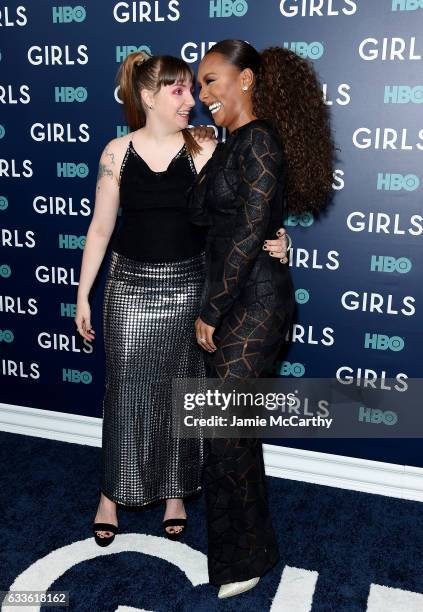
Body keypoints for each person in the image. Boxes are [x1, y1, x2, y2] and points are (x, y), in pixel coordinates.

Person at [74, 51, 288, 545]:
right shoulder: (115, 152)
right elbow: (101, 227)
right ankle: (112, 493)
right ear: (148, 97)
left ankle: (174, 491)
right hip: (128, 288)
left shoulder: (205, 145)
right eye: (179, 91)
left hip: (191, 287)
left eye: (194, 88)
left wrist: (280, 238)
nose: (192, 100)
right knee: (126, 393)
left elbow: (249, 202)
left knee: (182, 393)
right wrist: (83, 294)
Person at [190, 40, 335, 598]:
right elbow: (203, 213)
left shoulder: (262, 140)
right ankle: (244, 547)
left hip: (253, 303)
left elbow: (251, 232)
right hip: (231, 296)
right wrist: (204, 158)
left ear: (246, 79)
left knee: (228, 433)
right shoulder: (230, 144)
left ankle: (248, 557)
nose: (203, 96)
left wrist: (211, 309)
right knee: (226, 431)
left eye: (211, 81)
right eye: (199, 85)